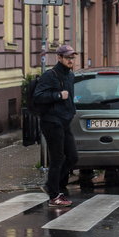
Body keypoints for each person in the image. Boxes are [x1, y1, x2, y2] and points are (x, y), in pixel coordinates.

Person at [34, 44, 78, 207]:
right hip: (51, 122)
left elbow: (70, 97)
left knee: (73, 157)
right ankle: (54, 194)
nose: (70, 60)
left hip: (65, 121)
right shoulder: (50, 75)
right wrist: (58, 95)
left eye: (72, 58)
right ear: (59, 58)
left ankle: (54, 186)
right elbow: (38, 96)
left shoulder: (70, 75)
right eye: (67, 58)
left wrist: (72, 109)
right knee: (57, 158)